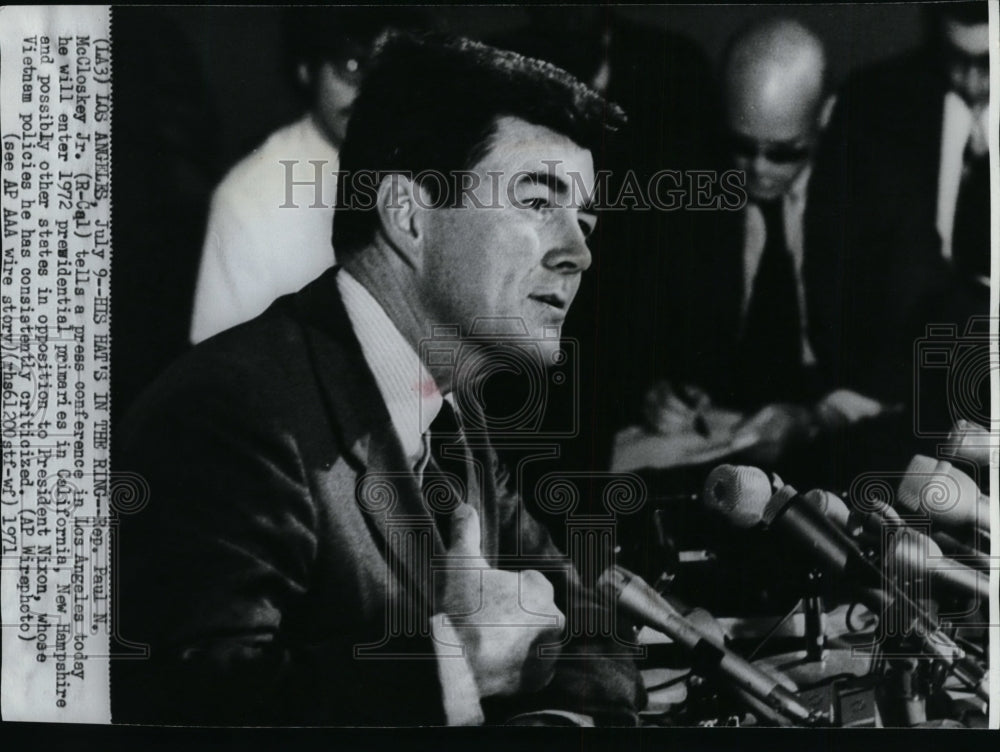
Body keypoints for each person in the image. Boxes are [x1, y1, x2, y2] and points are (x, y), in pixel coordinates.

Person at [112, 33, 644, 726]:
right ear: (408, 214)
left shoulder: (452, 420)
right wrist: (459, 667)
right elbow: (190, 708)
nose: (578, 253)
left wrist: (534, 668)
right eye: (540, 202)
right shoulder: (229, 413)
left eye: (586, 220)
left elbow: (601, 645)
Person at [646, 18, 889, 474]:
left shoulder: (880, 187)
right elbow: (641, 329)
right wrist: (658, 393)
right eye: (741, 146)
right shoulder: (684, 181)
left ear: (825, 112)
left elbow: (911, 348)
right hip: (715, 435)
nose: (757, 171)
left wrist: (816, 420)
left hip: (840, 441)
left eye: (784, 152)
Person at [805, 2, 991, 437]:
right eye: (956, 58)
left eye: (988, 62)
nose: (970, 80)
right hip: (883, 396)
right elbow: (832, 275)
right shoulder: (875, 103)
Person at [189, 9, 425, 344]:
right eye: (353, 67)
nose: (375, 95)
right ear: (306, 70)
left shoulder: (444, 164)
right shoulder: (249, 198)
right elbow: (222, 371)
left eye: (391, 70)